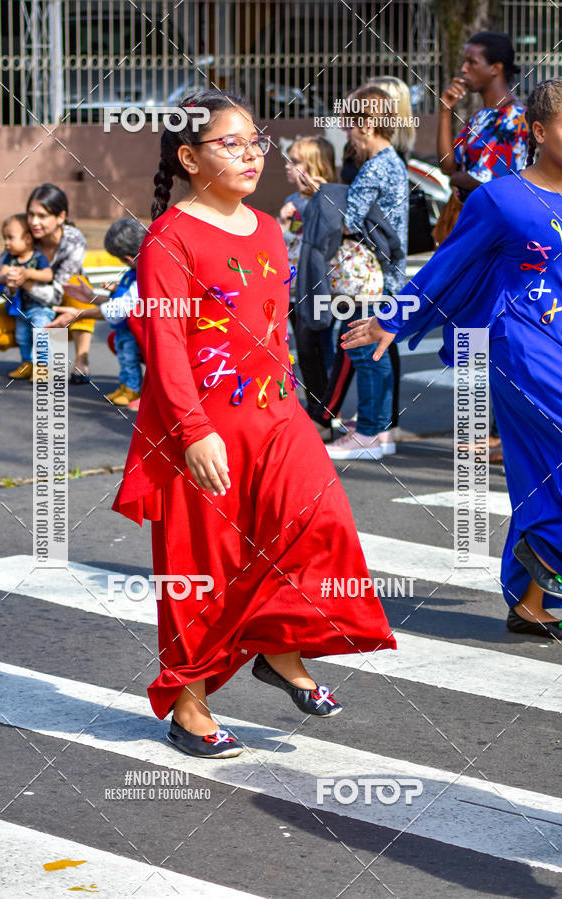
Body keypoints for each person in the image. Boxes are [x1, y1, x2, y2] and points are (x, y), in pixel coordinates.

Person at [111, 89, 396, 759]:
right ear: (188, 156)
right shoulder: (169, 238)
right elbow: (166, 345)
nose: (249, 154)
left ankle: (278, 643)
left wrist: (301, 398)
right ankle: (189, 707)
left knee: (319, 521)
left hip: (276, 414)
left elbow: (274, 334)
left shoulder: (268, 227)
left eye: (254, 142)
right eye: (230, 143)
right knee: (199, 570)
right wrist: (190, 430)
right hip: (203, 429)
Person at [342, 79, 562, 637]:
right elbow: (448, 266)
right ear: (538, 132)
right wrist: (392, 318)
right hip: (523, 349)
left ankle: (531, 600)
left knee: (541, 474)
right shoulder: (501, 198)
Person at [438, 32, 528, 463]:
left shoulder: (518, 118)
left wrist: (464, 182)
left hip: (503, 240)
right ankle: (487, 431)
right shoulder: (479, 119)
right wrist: (444, 112)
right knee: (474, 326)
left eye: (472, 61)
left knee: (502, 329)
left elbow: (508, 183)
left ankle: (503, 433)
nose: (464, 69)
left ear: (496, 68)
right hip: (472, 234)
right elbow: (449, 167)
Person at [309, 85, 409, 460]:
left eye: (351, 124)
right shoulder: (392, 161)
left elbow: (350, 222)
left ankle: (369, 433)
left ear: (367, 124)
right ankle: (378, 428)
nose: (347, 132)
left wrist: (323, 195)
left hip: (369, 274)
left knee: (368, 353)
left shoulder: (374, 168)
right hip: (386, 273)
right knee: (376, 350)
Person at [49, 217, 146, 408]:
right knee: (125, 359)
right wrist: (91, 297)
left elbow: (122, 307)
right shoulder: (131, 275)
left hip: (134, 331)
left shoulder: (142, 276)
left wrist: (79, 314)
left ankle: (134, 390)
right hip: (123, 330)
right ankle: (126, 386)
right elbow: (118, 302)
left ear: (127, 258)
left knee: (130, 359)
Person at [279, 137, 337, 414]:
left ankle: (327, 407)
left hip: (318, 285)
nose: (288, 167)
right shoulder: (292, 200)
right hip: (294, 285)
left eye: (295, 161)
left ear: (313, 164)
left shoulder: (328, 196)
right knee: (305, 348)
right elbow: (291, 237)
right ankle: (319, 404)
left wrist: (316, 197)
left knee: (319, 344)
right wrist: (284, 223)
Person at [20, 183, 95, 384]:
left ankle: (82, 358)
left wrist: (25, 281)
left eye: (42, 216)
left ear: (61, 217)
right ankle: (28, 359)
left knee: (77, 284)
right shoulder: (23, 236)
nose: (34, 222)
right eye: (31, 214)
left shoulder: (73, 240)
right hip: (30, 305)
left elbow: (57, 293)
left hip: (66, 303)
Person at [0, 213, 54, 379]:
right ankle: (27, 363)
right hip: (19, 309)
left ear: (27, 238)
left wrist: (28, 274)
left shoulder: (37, 257)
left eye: (10, 238)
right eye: (4, 238)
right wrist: (7, 277)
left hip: (39, 308)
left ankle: (43, 367)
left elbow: (48, 275)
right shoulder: (9, 258)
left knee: (41, 335)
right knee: (23, 337)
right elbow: (2, 272)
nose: (6, 243)